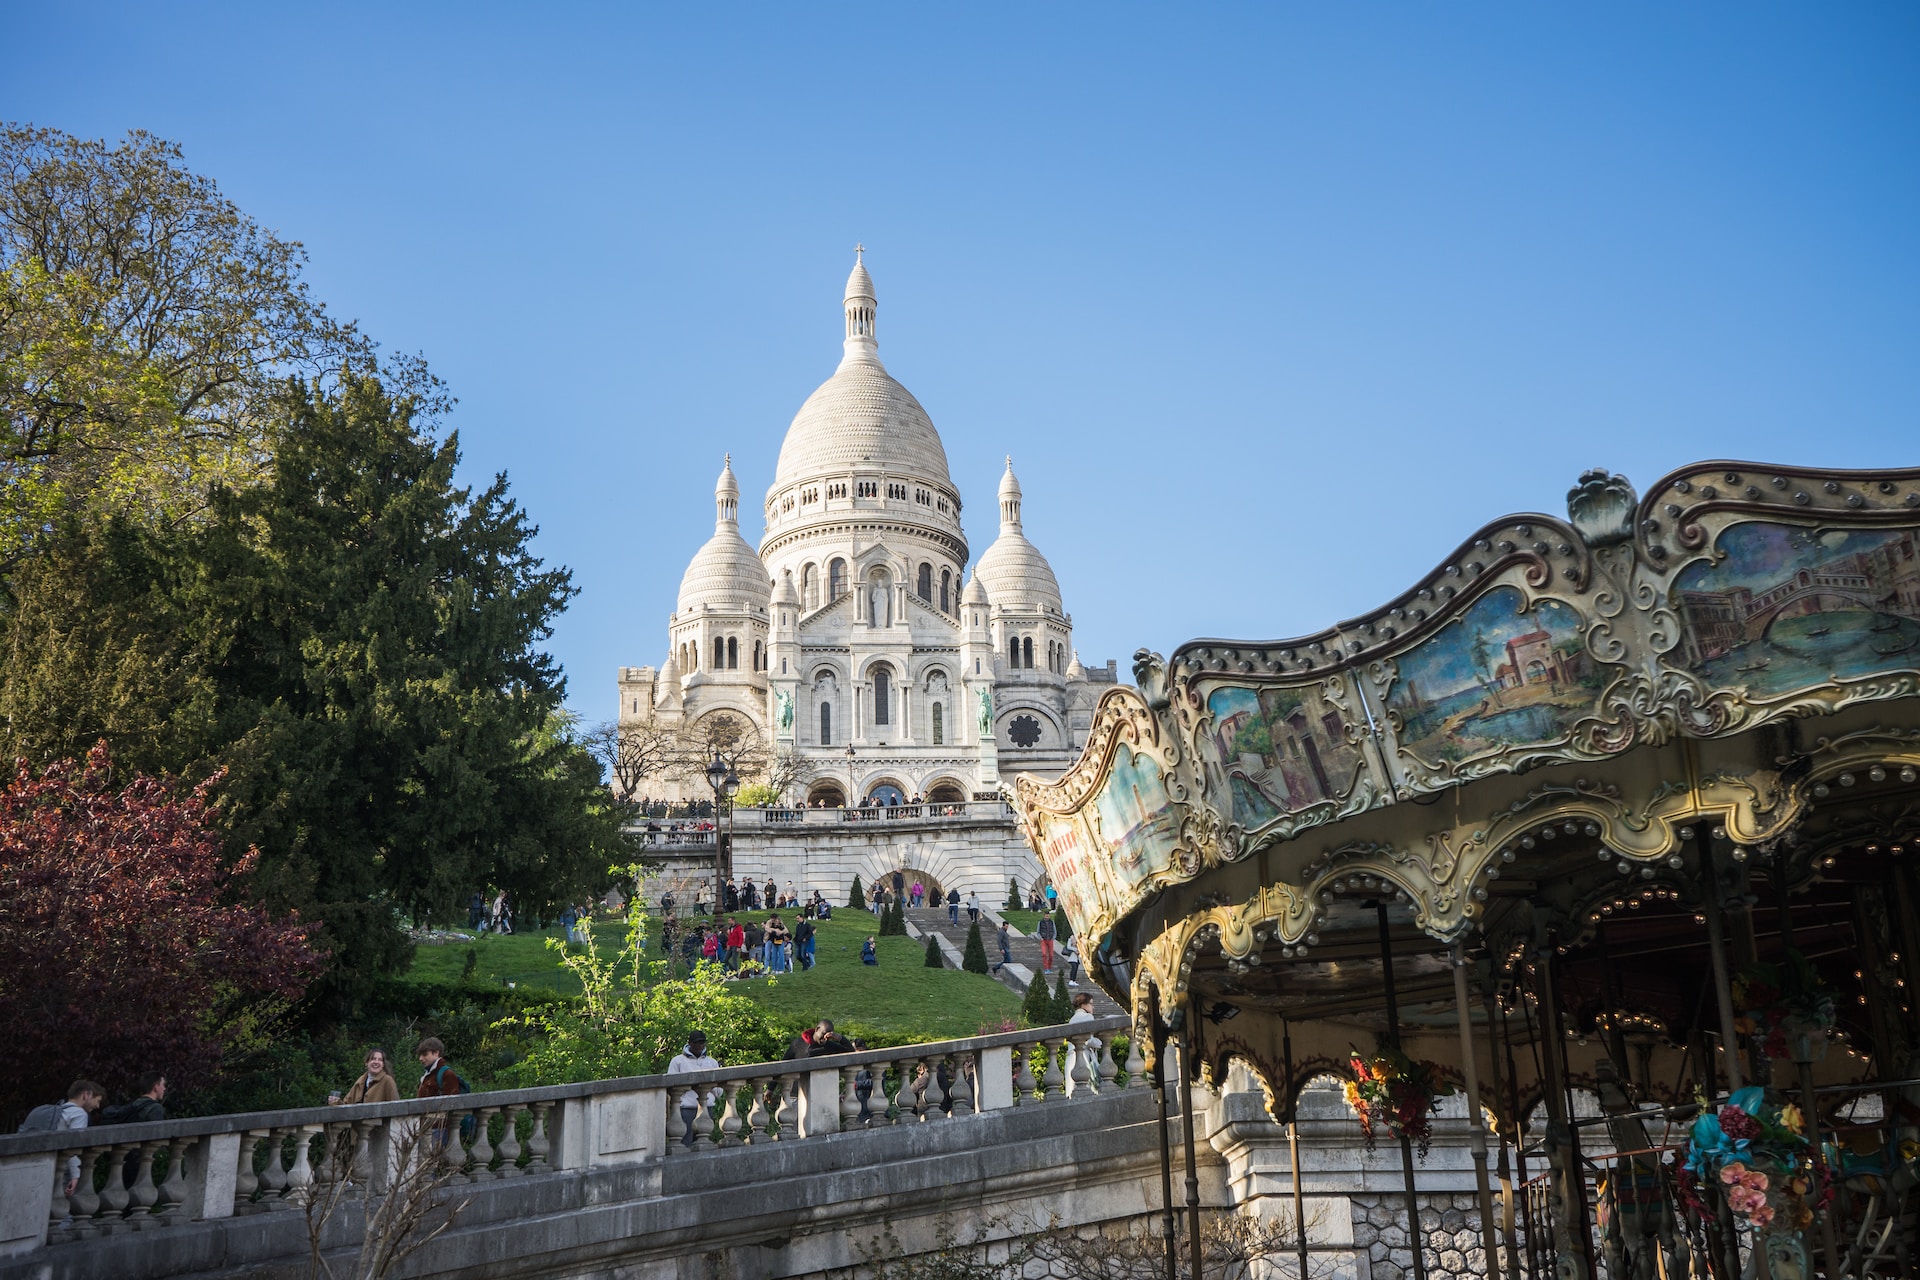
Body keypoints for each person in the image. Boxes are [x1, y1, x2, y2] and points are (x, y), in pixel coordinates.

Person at [21, 1080, 104, 1197]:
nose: (97, 1106)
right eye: (97, 1101)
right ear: (86, 1095)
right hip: (63, 1169)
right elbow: (73, 1147)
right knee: (61, 1209)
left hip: (44, 1165)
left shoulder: (59, 1111)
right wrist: (76, 1175)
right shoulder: (79, 1114)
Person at [666, 1031, 720, 1147]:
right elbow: (671, 1087)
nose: (699, 1046)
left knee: (704, 1144)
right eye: (696, 1043)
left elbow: (719, 1092)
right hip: (686, 1108)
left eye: (702, 1043)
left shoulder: (712, 1062)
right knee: (685, 1143)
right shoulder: (677, 1061)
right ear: (689, 1043)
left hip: (707, 1107)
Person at [330, 1049, 400, 1105]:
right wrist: (337, 1102)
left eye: (380, 1060)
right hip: (357, 1122)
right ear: (366, 1063)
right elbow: (347, 1106)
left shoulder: (388, 1081)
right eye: (373, 1059)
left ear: (383, 1065)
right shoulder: (360, 1082)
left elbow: (396, 1106)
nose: (376, 1062)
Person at [101, 1071, 167, 1125]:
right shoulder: (155, 1108)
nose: (164, 1088)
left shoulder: (135, 1104)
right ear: (156, 1087)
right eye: (163, 1085)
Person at [1066, 992, 1102, 1087]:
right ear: (1083, 1005)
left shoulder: (1072, 1019)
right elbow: (1088, 1040)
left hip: (1071, 1058)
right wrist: (1099, 1043)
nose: (1093, 1007)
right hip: (1084, 1056)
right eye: (1091, 1004)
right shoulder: (1088, 1017)